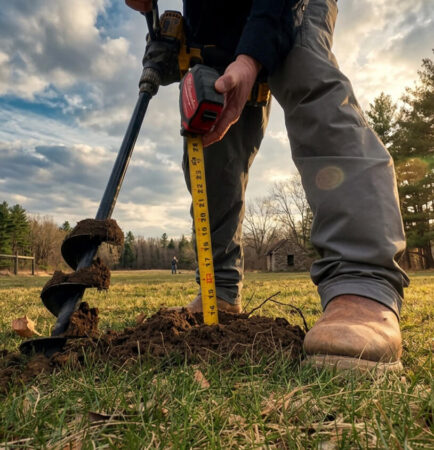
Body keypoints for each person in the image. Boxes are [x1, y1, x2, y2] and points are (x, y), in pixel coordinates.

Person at [126, 0, 409, 371]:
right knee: (212, 139)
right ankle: (220, 290)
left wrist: (250, 59)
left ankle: (363, 285)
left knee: (304, 72)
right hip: (214, 28)